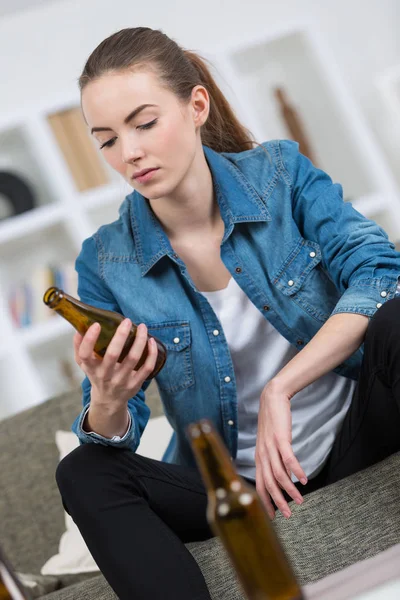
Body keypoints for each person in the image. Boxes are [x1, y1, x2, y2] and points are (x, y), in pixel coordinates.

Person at [56, 26, 400, 600]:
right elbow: (121, 432)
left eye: (144, 123)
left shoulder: (282, 175)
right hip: (231, 486)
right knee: (85, 470)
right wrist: (108, 401)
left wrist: (281, 388)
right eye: (107, 140)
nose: (130, 152)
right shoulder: (105, 262)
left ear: (196, 106)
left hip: (355, 431)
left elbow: (380, 273)